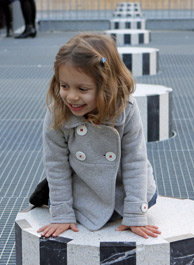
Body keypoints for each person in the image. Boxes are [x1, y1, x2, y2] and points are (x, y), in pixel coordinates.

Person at [36, 33, 159, 239]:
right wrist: (62, 213)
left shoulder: (125, 109)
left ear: (106, 86)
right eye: (64, 86)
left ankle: (126, 206)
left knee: (147, 197)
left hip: (122, 187)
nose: (72, 96)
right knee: (60, 199)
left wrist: (136, 212)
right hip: (83, 186)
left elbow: (135, 161)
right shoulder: (57, 111)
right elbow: (56, 164)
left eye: (82, 89)